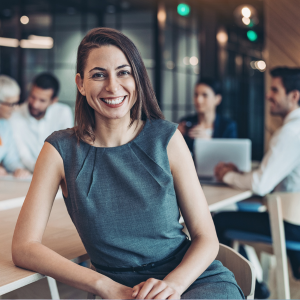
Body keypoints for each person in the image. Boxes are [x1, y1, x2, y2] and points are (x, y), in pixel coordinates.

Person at [12, 28, 244, 299]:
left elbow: (206, 238)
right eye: (99, 74)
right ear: (80, 83)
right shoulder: (59, 150)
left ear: (137, 78)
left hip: (190, 281)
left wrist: (172, 286)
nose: (113, 86)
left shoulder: (167, 139)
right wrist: (103, 285)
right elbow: (24, 247)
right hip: (115, 289)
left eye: (124, 72)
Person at [214, 67, 300, 296]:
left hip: (291, 227)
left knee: (219, 221)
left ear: (294, 96)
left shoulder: (290, 132)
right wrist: (241, 174)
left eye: (274, 89)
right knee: (240, 211)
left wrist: (227, 176)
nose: (268, 95)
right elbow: (270, 177)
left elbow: (262, 184)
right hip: (294, 220)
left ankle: (249, 289)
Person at [9, 73, 73, 172]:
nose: (35, 104)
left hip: (56, 172)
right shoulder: (14, 115)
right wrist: (43, 171)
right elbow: (22, 154)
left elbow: (65, 149)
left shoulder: (63, 113)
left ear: (53, 101)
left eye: (42, 100)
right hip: (27, 174)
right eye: (32, 97)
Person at [178, 78, 237, 155]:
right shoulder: (186, 122)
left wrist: (208, 142)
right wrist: (177, 136)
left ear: (217, 99)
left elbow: (231, 155)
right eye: (196, 94)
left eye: (205, 95)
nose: (198, 100)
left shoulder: (227, 126)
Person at [0, 75, 31, 178]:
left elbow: (11, 158)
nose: (15, 108)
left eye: (16, 103)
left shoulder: (5, 125)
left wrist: (18, 169)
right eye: (11, 104)